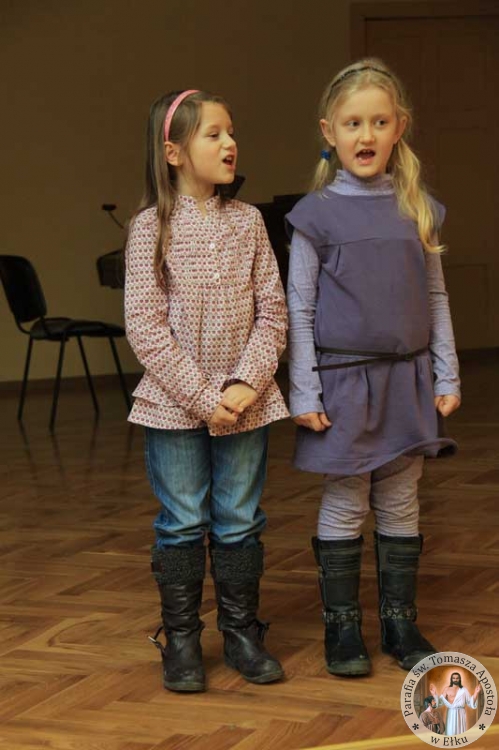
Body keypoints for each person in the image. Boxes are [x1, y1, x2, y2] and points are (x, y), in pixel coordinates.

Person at [286, 58, 461, 676]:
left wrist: (446, 373)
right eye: (353, 123)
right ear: (329, 132)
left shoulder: (417, 209)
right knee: (345, 498)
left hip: (407, 379)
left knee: (401, 497)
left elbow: (435, 296)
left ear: (399, 128)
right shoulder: (315, 215)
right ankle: (342, 628)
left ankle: (399, 621)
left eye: (379, 122)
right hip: (343, 384)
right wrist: (304, 390)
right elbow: (299, 307)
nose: (366, 135)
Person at [124, 89, 289, 693]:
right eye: (213, 134)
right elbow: (145, 326)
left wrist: (246, 384)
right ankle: (183, 640)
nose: (229, 143)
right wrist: (202, 397)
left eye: (231, 132)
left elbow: (273, 313)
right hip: (172, 405)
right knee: (182, 522)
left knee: (240, 520)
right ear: (173, 152)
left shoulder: (248, 222)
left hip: (247, 403)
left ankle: (242, 633)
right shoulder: (150, 228)